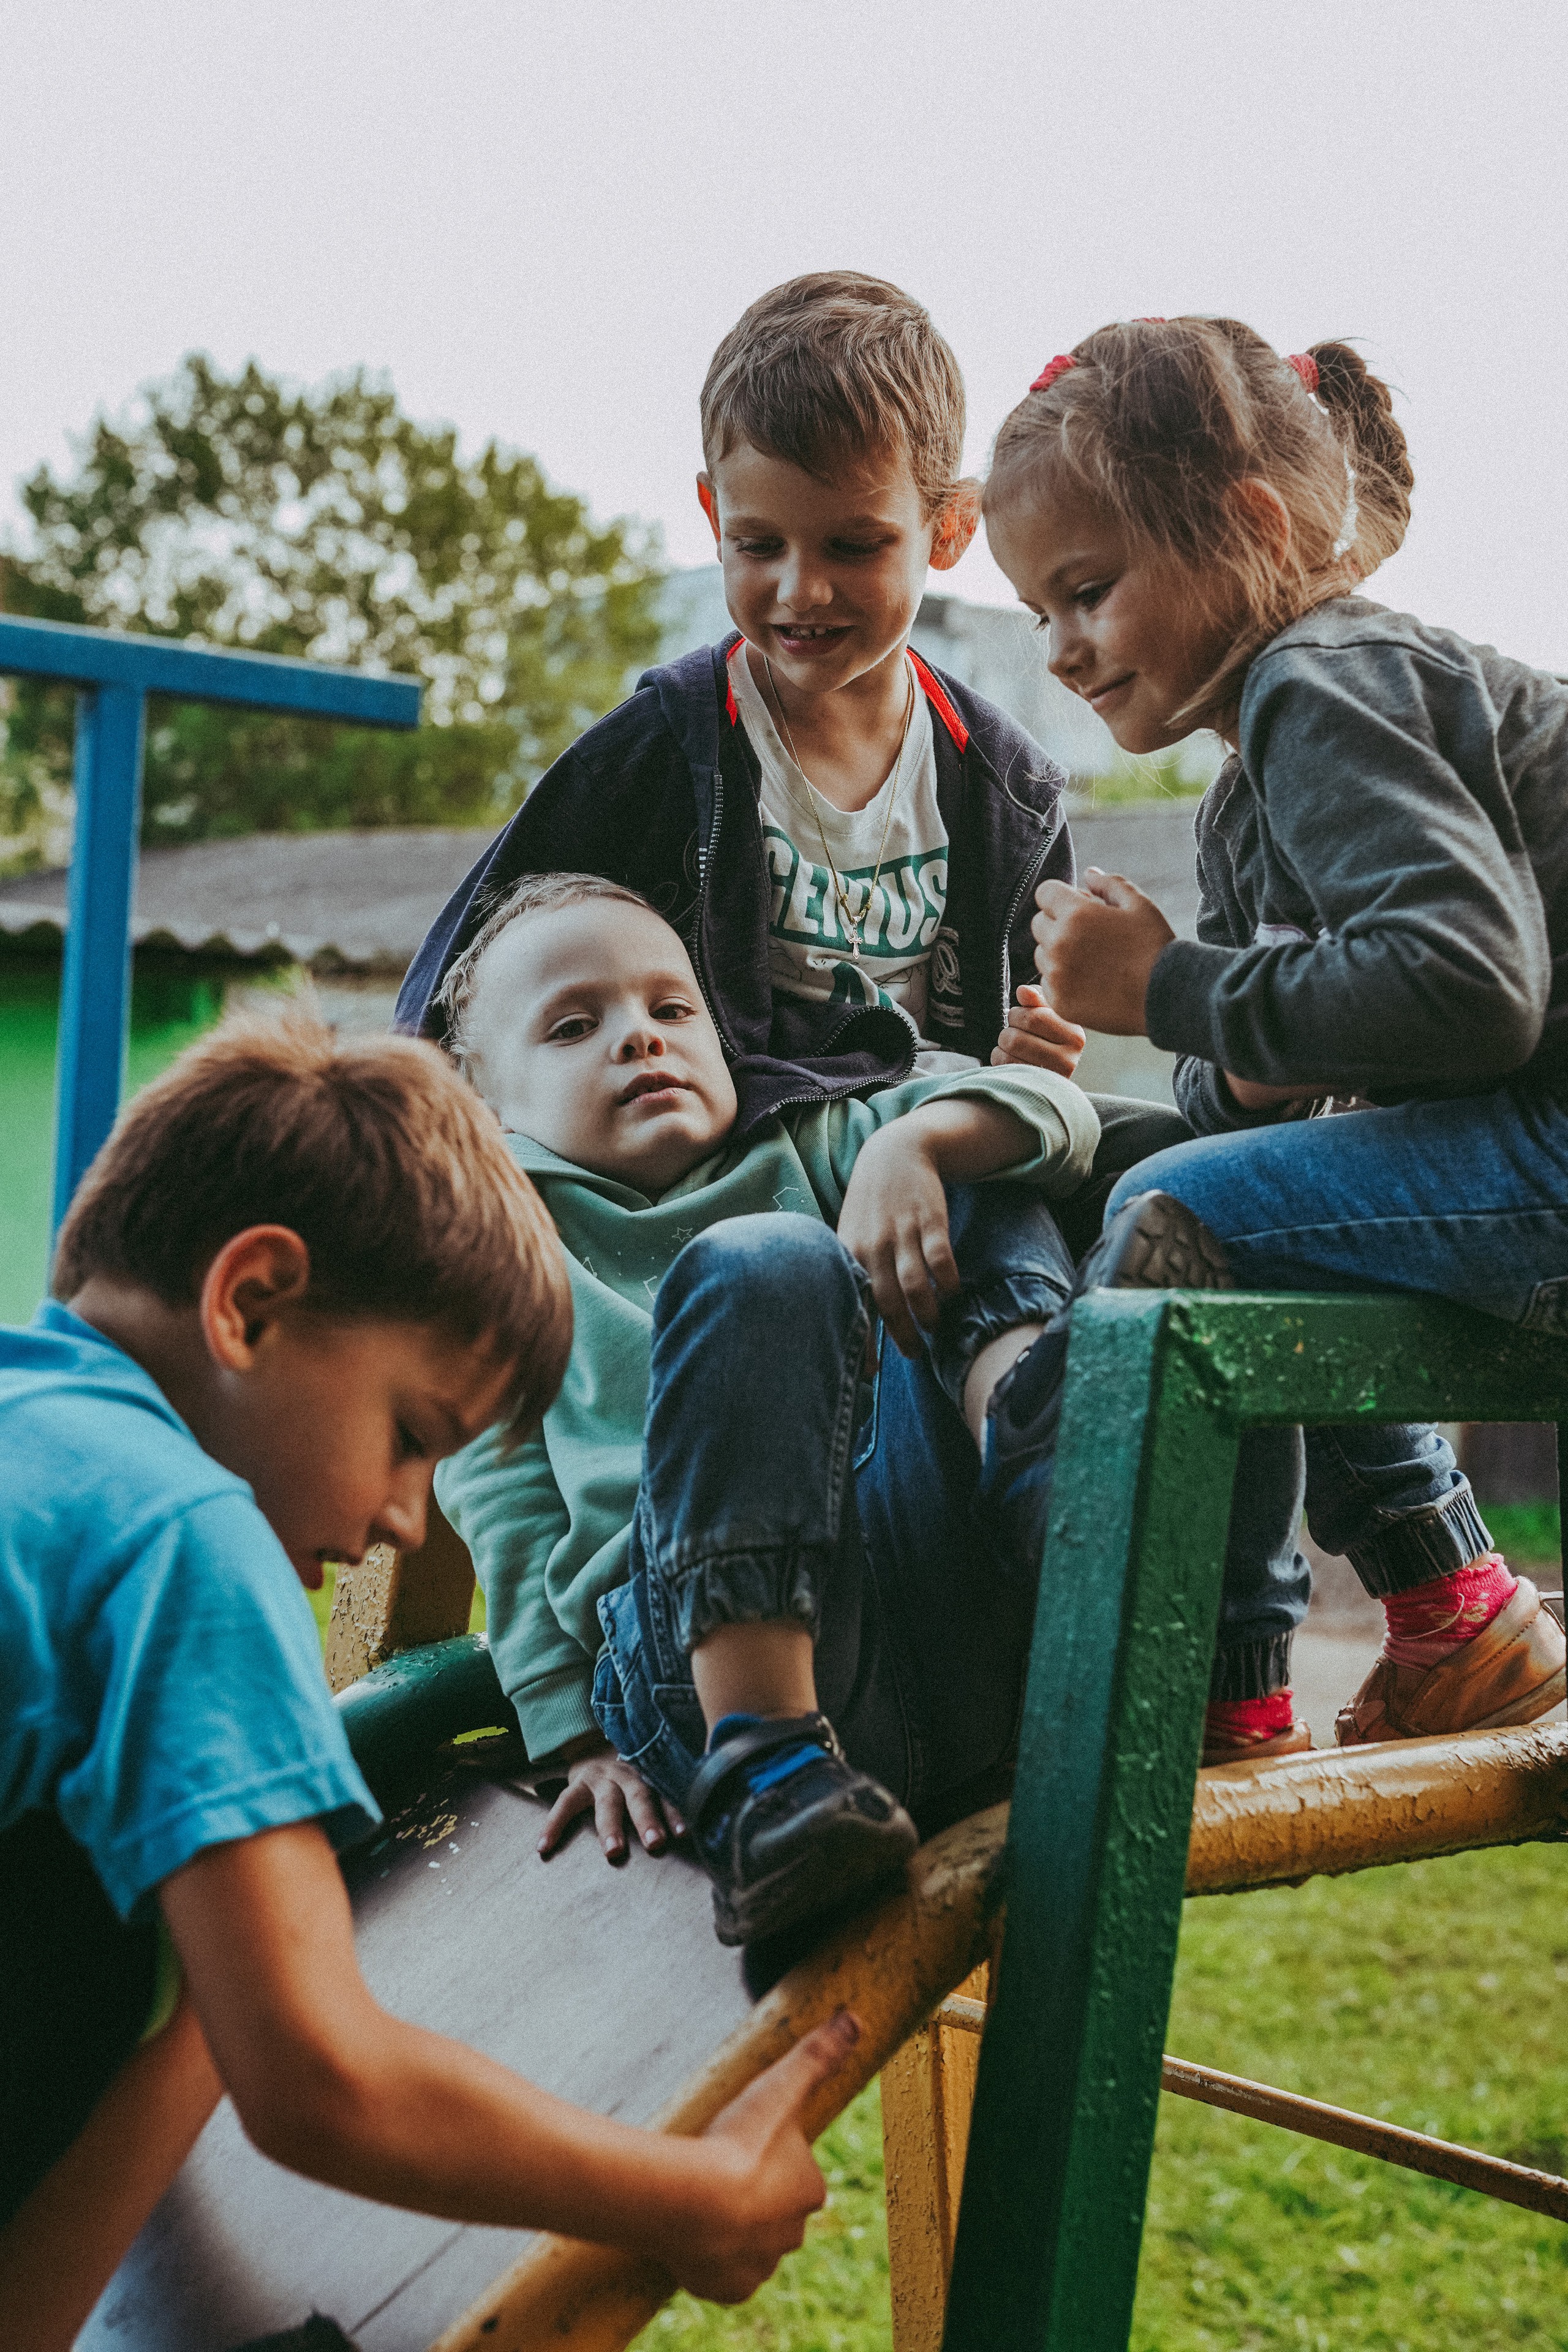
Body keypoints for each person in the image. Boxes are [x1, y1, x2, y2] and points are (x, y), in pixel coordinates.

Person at [0, 1014, 865, 2352]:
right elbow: (318, 2079)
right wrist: (687, 2196)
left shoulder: (33, 1444)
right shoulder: (176, 1531)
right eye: (412, 1437)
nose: (410, 1519)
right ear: (251, 1302)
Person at [430, 872, 1224, 1948]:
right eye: (576, 1026)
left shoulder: (807, 1138)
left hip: (937, 1606)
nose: (640, 1038)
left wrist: (912, 1149)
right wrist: (570, 1734)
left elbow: (1060, 1118)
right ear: (487, 1105)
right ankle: (770, 1766)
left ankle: (1045, 1451)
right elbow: (503, 1494)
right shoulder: (511, 1243)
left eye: (673, 1010)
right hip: (694, 1681)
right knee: (766, 1260)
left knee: (961, 1171)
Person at [979, 315, 1567, 1755]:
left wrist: (1169, 988)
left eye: (1086, 590)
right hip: (1522, 1142)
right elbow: (1267, 1093)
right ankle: (1448, 1613)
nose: (1058, 649)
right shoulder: (1251, 780)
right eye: (1038, 610)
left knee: (1178, 1212)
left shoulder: (1328, 681)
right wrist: (1221, 1047)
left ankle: (1217, 1680)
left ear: (1243, 525)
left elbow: (1470, 986)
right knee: (1187, 1173)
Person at [394, 270, 1185, 1248]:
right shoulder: (666, 749)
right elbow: (457, 985)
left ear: (948, 529)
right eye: (758, 544)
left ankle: (1118, 1337)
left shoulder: (1003, 789)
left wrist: (1024, 1054)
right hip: (752, 1159)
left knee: (1163, 1150)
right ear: (710, 513)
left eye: (854, 546)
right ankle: (1021, 1385)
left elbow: (1004, 1053)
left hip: (925, 1140)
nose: (801, 591)